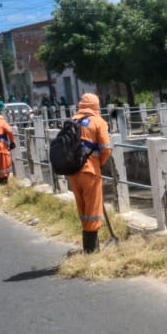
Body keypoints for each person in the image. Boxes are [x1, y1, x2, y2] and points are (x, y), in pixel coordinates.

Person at [66, 93, 113, 254]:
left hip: (73, 172)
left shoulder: (71, 121)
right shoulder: (98, 122)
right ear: (95, 105)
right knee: (93, 211)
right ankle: (91, 250)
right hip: (90, 172)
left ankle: (88, 246)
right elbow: (106, 148)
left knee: (83, 209)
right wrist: (98, 163)